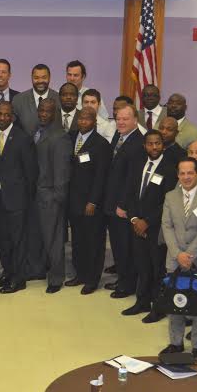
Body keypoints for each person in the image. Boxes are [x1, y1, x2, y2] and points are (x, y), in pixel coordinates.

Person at [160, 157, 197, 357]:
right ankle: (176, 343)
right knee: (175, 301)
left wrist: (190, 254)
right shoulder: (170, 196)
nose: (186, 177)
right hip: (174, 259)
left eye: (190, 172)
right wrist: (177, 253)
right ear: (177, 175)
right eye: (182, 173)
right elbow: (167, 226)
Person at [123, 130, 178, 322]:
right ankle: (142, 301)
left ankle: (158, 307)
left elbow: (167, 202)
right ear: (144, 145)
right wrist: (134, 219)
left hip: (156, 228)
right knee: (142, 266)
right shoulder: (138, 164)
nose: (154, 147)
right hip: (136, 225)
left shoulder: (170, 168)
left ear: (163, 145)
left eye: (157, 143)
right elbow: (129, 193)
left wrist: (147, 221)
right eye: (150, 143)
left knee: (157, 269)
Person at [0, 102, 37, 293]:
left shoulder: (23, 139)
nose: (2, 118)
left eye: (6, 115)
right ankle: (7, 274)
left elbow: (31, 172)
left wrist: (27, 200)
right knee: (4, 239)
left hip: (18, 200)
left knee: (18, 240)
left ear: (13, 117)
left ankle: (19, 278)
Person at [27, 99, 72, 293]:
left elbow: (62, 171)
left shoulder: (60, 137)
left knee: (53, 239)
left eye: (48, 111)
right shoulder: (37, 131)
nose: (44, 114)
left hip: (51, 195)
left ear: (55, 114)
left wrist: (57, 197)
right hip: (36, 193)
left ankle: (56, 278)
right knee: (37, 236)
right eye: (41, 110)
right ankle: (38, 270)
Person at [65, 108, 111, 294]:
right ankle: (80, 274)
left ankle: (92, 279)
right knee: (78, 241)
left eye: (87, 119)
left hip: (91, 204)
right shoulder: (70, 137)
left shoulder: (101, 144)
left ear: (94, 122)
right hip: (73, 201)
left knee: (93, 242)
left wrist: (93, 201)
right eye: (81, 118)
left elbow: (101, 177)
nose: (83, 122)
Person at [103, 103, 144, 298]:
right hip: (112, 203)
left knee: (125, 247)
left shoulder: (138, 142)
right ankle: (122, 279)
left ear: (135, 120)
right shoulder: (119, 137)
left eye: (125, 119)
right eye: (118, 118)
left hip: (123, 207)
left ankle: (127, 285)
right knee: (118, 246)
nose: (121, 122)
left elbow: (133, 179)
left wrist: (123, 205)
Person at [13, 64, 59, 133]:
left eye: (44, 77)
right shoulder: (18, 100)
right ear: (31, 78)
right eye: (36, 78)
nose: (40, 81)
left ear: (49, 78)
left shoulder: (59, 99)